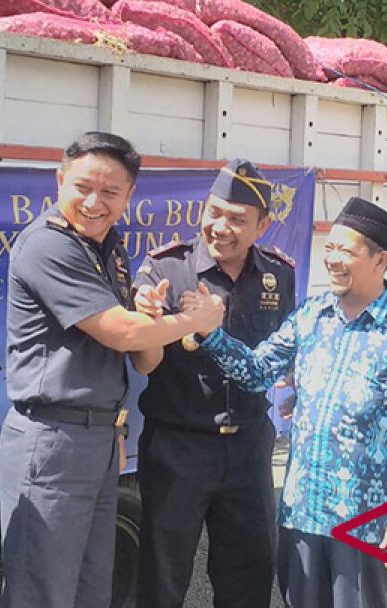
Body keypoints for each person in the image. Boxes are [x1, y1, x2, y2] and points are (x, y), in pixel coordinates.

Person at [0, 131, 224, 608]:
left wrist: (155, 319)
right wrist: (196, 321)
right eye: (82, 187)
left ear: (129, 196)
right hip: (52, 439)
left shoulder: (110, 250)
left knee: (90, 589)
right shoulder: (47, 246)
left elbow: (145, 357)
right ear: (59, 181)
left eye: (110, 192)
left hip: (98, 438)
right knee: (42, 591)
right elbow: (121, 334)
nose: (94, 202)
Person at [198, 197, 387, 608]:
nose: (333, 259)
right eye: (329, 248)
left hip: (364, 524)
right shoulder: (312, 315)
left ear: (380, 260)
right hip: (302, 513)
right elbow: (258, 371)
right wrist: (211, 335)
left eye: (346, 251)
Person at [129, 159, 296, 608]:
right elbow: (143, 359)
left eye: (238, 220)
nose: (221, 227)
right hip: (178, 447)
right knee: (162, 579)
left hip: (249, 448)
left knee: (250, 572)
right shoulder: (166, 269)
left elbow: (286, 351)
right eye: (214, 213)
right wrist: (151, 317)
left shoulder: (278, 274)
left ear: (262, 225)